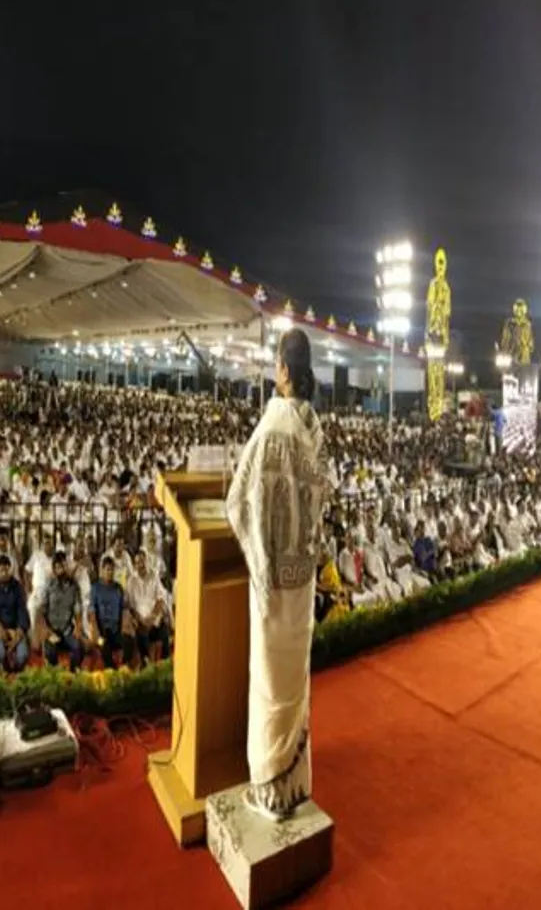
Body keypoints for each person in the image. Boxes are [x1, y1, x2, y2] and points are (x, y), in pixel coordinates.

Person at [225, 327, 327, 822]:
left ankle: (269, 792)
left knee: (269, 686)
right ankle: (297, 785)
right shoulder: (313, 429)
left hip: (272, 583)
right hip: (302, 577)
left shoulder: (271, 428)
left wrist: (260, 555)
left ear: (283, 370)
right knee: (294, 682)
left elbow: (238, 503)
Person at [40, 550, 84, 668]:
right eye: (58, 567)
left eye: (64, 565)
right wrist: (46, 629)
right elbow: (42, 610)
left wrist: (78, 626)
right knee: (50, 653)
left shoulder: (74, 586)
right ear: (54, 569)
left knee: (78, 647)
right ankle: (55, 680)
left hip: (67, 630)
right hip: (51, 630)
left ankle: (73, 677)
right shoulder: (49, 585)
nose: (62, 569)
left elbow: (77, 608)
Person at [0, 554, 30, 672]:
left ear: (10, 569)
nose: (4, 573)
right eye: (1, 570)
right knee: (0, 654)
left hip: (16, 629)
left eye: (6, 569)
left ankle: (18, 677)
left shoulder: (17, 586)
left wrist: (19, 633)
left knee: (22, 656)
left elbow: (22, 610)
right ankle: (5, 675)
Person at [88, 556, 134, 667]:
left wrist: (126, 626)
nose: (110, 572)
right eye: (108, 569)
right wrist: (95, 630)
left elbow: (124, 610)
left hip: (116, 631)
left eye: (112, 570)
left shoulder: (118, 588)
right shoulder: (95, 588)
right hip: (101, 632)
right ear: (102, 570)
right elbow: (92, 611)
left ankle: (124, 668)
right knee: (102, 644)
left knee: (130, 640)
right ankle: (112, 671)